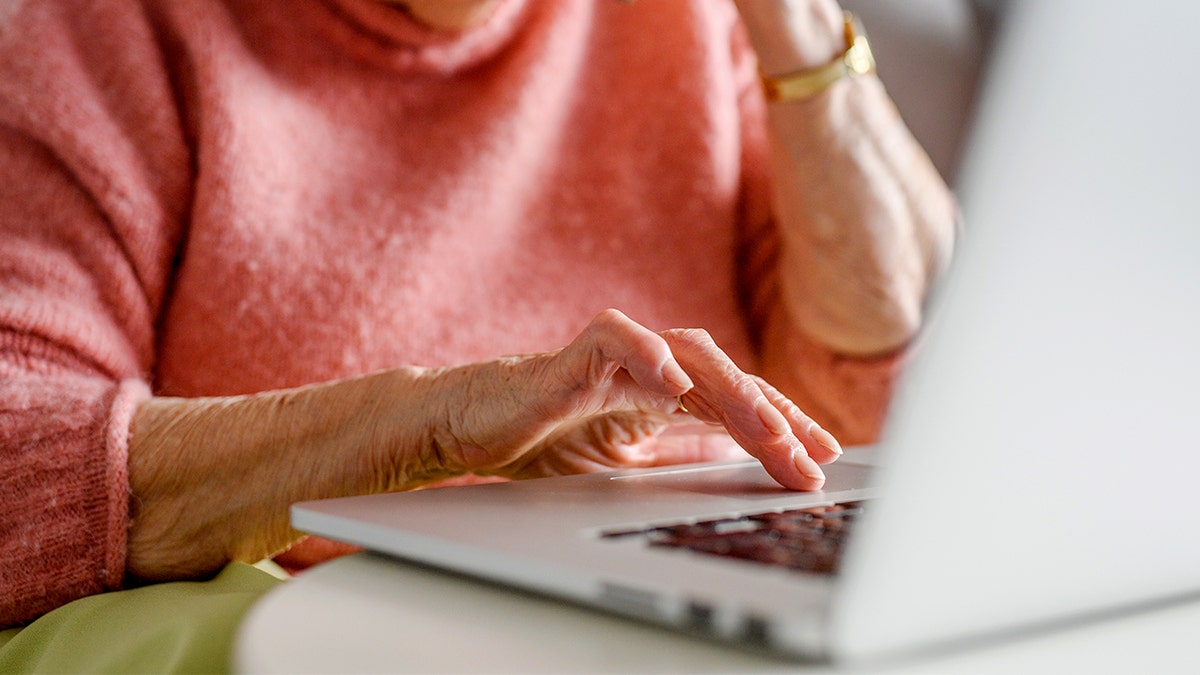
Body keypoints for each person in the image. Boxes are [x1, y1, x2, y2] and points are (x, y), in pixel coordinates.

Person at [0, 0, 957, 659]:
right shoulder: (104, 31)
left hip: (687, 620)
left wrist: (800, 32)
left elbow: (858, 403)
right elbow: (21, 461)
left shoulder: (688, 21)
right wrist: (429, 427)